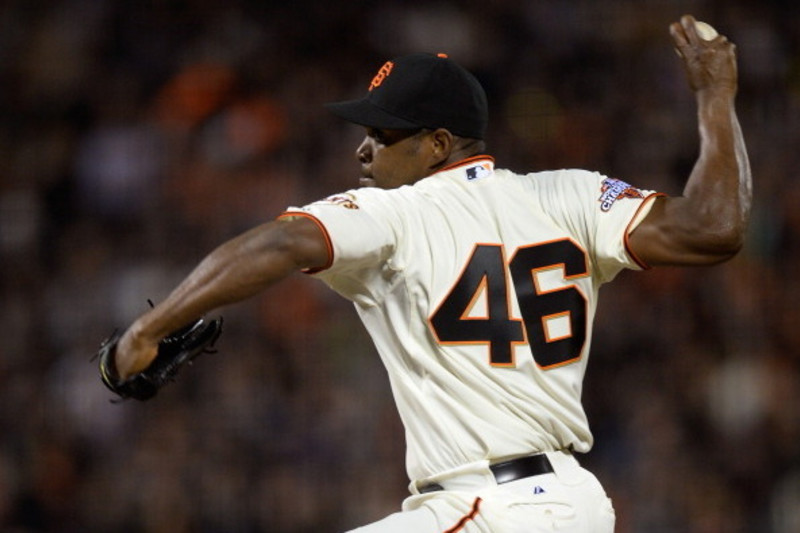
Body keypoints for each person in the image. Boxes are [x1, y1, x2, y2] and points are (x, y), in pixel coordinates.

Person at [109, 14, 750, 532]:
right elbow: (713, 227)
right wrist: (716, 97)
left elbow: (282, 244)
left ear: (438, 144)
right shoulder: (573, 196)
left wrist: (146, 330)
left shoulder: (396, 214)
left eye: (385, 133)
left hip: (490, 509)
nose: (363, 147)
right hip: (567, 502)